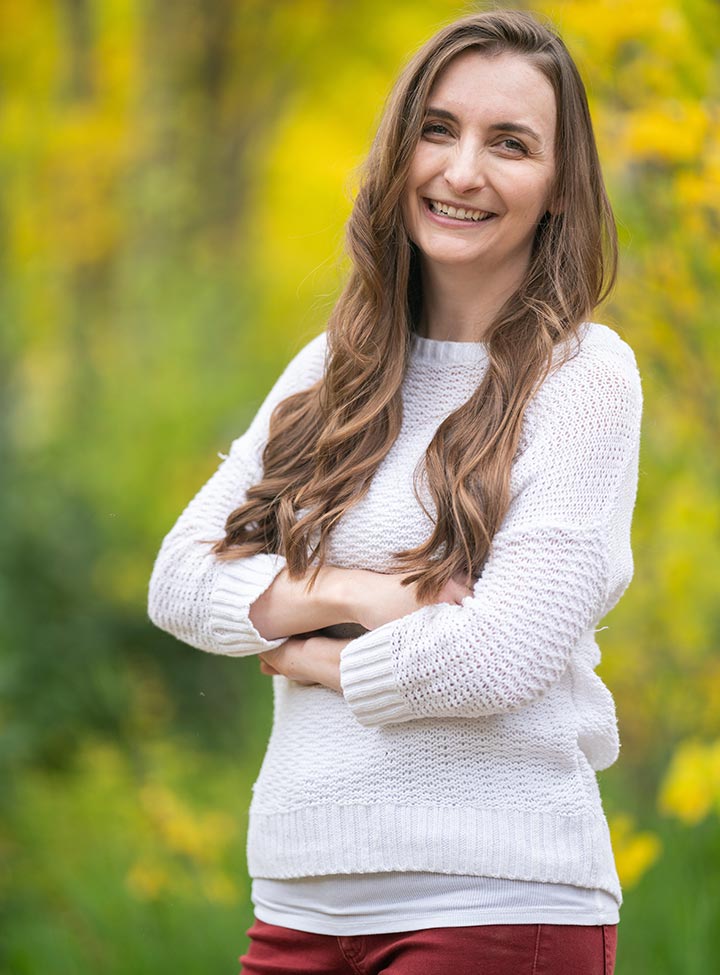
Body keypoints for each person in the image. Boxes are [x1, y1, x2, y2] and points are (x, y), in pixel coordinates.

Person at [147, 8, 642, 974]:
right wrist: (360, 597)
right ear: (399, 150)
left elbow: (497, 658)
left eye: (511, 144)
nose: (463, 171)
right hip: (295, 896)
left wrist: (318, 658)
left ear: (556, 189)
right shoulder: (331, 368)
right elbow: (176, 580)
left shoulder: (585, 376)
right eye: (438, 128)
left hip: (495, 902)